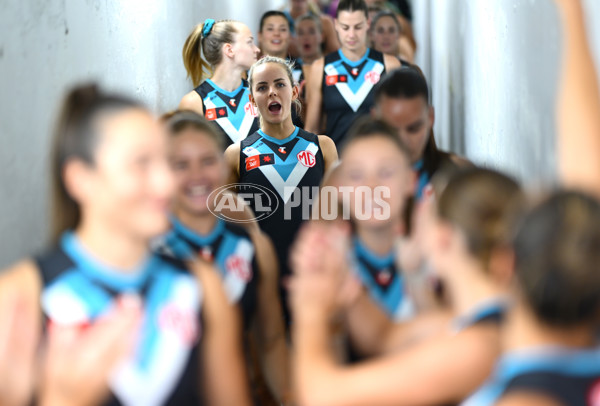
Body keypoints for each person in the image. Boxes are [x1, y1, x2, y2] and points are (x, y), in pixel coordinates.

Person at [0, 84, 251, 406]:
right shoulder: (20, 298)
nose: (164, 182)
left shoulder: (202, 287)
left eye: (165, 161)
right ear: (80, 179)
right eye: (141, 163)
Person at [291, 167, 524, 405]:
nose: (416, 212)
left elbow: (322, 397)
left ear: (443, 238)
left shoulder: (476, 348)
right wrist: (340, 273)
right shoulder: (482, 320)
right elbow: (382, 336)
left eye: (427, 207)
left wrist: (310, 309)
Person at [156, 110, 291, 404]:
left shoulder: (253, 248)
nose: (197, 176)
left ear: (222, 164)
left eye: (207, 161)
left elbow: (271, 342)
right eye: (181, 165)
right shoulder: (146, 251)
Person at [225, 56, 338, 324]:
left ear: (295, 90)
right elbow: (226, 228)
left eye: (280, 84)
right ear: (251, 100)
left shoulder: (323, 147)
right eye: (262, 87)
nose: (272, 92)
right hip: (262, 279)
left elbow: (338, 219)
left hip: (313, 277)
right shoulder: (235, 154)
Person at [304, 0, 401, 147]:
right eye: (345, 27)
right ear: (336, 24)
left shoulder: (389, 65)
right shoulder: (320, 67)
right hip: (337, 162)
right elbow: (312, 129)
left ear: (368, 24)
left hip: (378, 158)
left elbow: (398, 123)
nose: (351, 34)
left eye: (358, 27)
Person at [372, 67, 471, 200]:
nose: (403, 140)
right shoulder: (349, 180)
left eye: (413, 129)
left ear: (431, 117)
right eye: (392, 130)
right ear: (375, 119)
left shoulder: (459, 176)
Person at [179, 19, 260, 146]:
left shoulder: (259, 93)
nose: (257, 49)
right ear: (229, 50)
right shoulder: (194, 102)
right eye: (249, 42)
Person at [258, 11, 305, 128]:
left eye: (282, 29)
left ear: (290, 36)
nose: (276, 34)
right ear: (260, 35)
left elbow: (311, 121)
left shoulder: (303, 72)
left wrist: (300, 100)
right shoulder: (247, 73)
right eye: (270, 29)